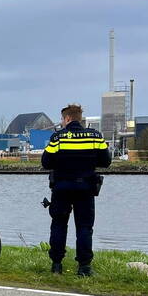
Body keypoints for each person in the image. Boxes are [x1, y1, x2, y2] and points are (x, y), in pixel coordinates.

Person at [41, 103, 111, 276]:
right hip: (86, 187)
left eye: (62, 120)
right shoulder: (95, 136)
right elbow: (106, 161)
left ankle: (56, 265)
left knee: (58, 224)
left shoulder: (58, 138)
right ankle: (84, 267)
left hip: (61, 187)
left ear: (67, 118)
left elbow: (46, 162)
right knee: (84, 227)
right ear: (80, 118)